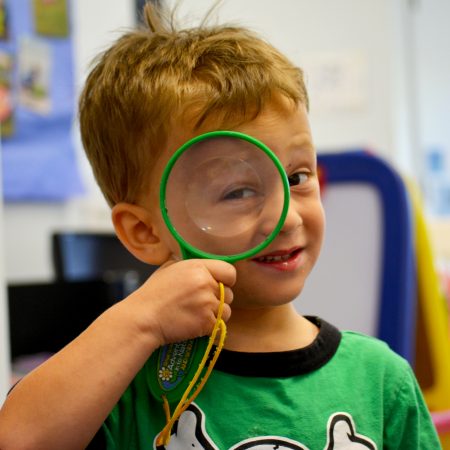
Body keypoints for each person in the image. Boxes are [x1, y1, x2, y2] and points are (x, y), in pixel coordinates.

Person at [0, 3, 441, 449]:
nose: (286, 217)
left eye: (297, 178)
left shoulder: (381, 379)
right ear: (145, 231)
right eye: (237, 192)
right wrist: (141, 322)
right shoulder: (124, 384)